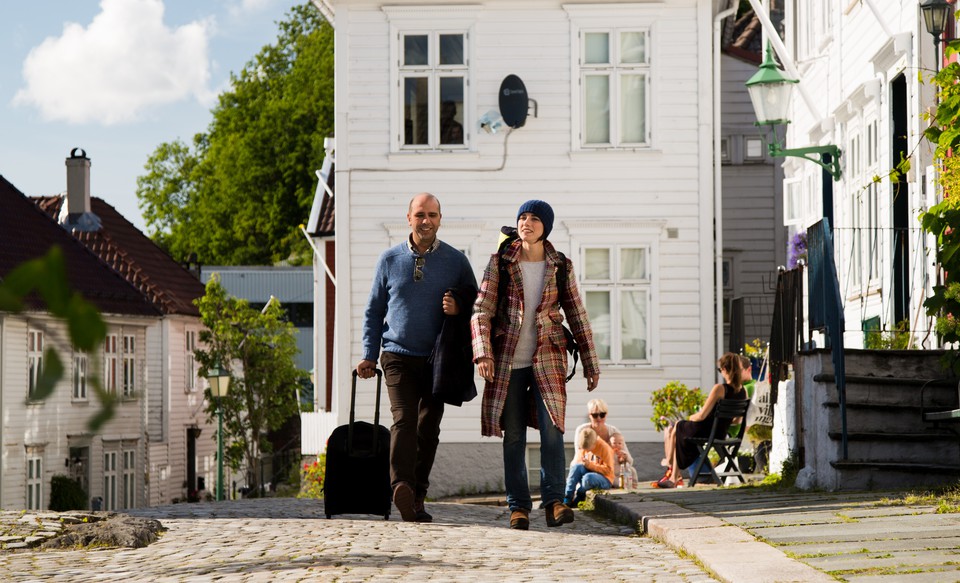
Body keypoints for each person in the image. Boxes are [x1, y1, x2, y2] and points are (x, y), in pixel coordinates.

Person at [471, 199, 600, 531]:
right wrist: (483, 352)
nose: (526, 222)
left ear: (546, 228)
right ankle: (518, 507)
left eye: (534, 219)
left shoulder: (560, 265)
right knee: (513, 435)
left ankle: (555, 502)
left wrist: (590, 362)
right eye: (522, 217)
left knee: (552, 429)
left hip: (549, 357)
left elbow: (577, 314)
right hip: (509, 360)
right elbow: (481, 310)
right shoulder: (500, 262)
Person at [357, 193, 478, 522]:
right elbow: (374, 311)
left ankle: (418, 495)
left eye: (432, 215)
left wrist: (459, 306)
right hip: (397, 354)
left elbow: (477, 304)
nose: (426, 221)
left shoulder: (456, 261)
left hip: (439, 360)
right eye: (420, 215)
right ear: (409, 218)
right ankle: (401, 486)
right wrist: (368, 355)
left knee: (428, 428)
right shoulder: (389, 260)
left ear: (440, 219)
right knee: (404, 419)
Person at [653, 352, 748, 488]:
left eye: (720, 370)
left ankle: (672, 472)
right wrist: (723, 420)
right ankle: (673, 472)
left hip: (707, 432)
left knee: (679, 426)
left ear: (724, 369)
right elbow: (737, 421)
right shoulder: (743, 391)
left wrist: (691, 417)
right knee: (679, 429)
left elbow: (702, 416)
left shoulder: (720, 389)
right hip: (720, 433)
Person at [563, 427, 615, 505]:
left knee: (587, 478)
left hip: (605, 479)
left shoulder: (604, 448)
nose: (586, 451)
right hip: (589, 474)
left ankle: (580, 496)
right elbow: (578, 466)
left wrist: (590, 465)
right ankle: (567, 497)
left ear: (595, 443)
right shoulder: (584, 447)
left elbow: (609, 470)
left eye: (588, 449)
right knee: (576, 467)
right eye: (584, 449)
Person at [571, 398, 620, 464]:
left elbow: (627, 457)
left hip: (608, 466)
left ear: (606, 414)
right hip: (585, 464)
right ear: (589, 415)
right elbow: (579, 453)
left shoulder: (614, 431)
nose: (599, 418)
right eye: (595, 415)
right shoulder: (582, 430)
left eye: (602, 415)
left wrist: (623, 457)